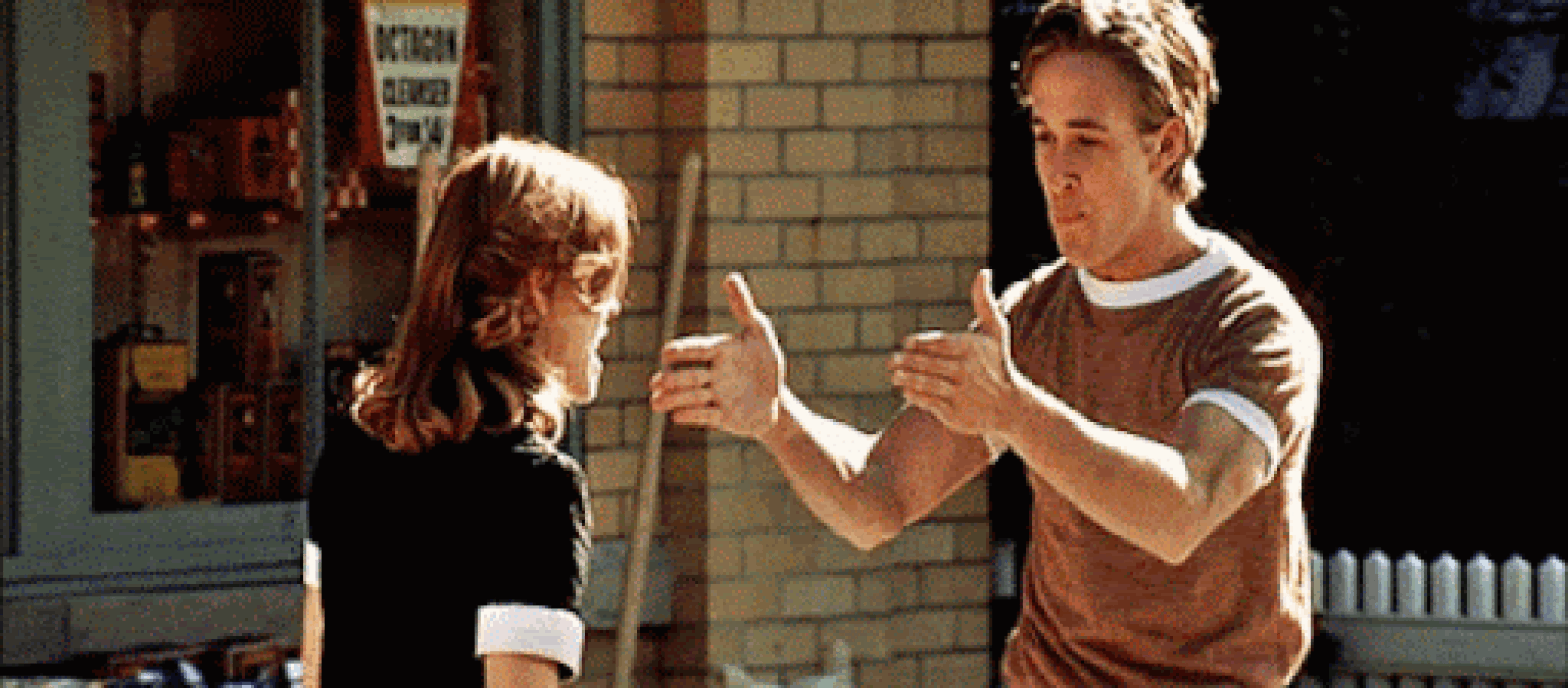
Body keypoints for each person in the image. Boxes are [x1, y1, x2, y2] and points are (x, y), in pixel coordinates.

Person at [648, 0, 1323, 685]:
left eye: (1087, 139)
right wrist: (778, 419)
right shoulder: (1034, 316)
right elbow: (879, 498)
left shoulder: (1249, 323)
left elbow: (1181, 511)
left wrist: (1014, 411)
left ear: (1166, 145)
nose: (1058, 170)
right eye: (1044, 135)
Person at [303, 137, 634, 686]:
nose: (613, 307)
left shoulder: (352, 450)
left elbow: (316, 671)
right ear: (536, 290)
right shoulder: (536, 490)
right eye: (596, 284)